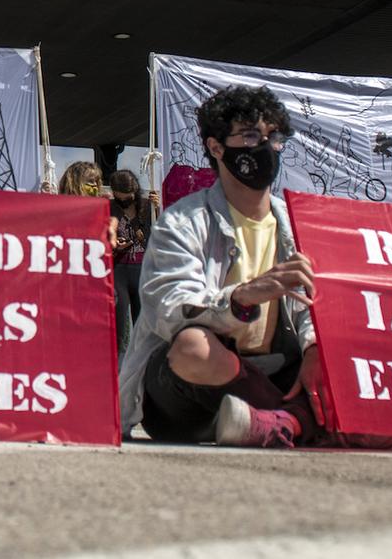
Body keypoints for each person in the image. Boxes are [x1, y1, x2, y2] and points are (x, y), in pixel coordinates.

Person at [120, 84, 332, 448]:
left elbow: (318, 305)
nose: (265, 147)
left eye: (273, 136)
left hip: (280, 371)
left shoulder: (299, 225)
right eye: (250, 136)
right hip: (188, 393)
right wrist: (243, 298)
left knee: (340, 361)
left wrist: (314, 349)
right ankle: (300, 421)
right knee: (193, 346)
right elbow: (169, 311)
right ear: (216, 147)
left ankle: (276, 423)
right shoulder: (181, 222)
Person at [108, 169, 157, 358]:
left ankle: (142, 359)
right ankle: (120, 359)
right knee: (121, 317)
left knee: (142, 319)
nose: (124, 203)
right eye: (120, 199)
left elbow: (158, 232)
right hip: (119, 268)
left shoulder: (146, 207)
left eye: (127, 199)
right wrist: (117, 245)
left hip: (142, 269)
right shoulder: (111, 208)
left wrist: (157, 209)